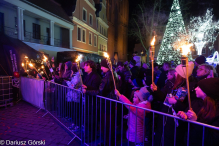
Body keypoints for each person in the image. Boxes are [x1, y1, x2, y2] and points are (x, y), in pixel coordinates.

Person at [151, 62, 197, 146]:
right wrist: (156, 90)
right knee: (161, 137)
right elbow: (162, 97)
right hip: (164, 116)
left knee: (170, 140)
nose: (174, 73)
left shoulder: (188, 88)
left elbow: (188, 107)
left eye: (176, 72)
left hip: (175, 121)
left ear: (181, 75)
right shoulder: (171, 83)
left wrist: (176, 102)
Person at [177, 78, 219, 146]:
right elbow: (185, 127)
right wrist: (183, 116)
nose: (195, 89)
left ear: (207, 91)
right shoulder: (195, 103)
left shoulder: (216, 110)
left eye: (199, 87)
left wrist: (196, 121)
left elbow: (213, 140)